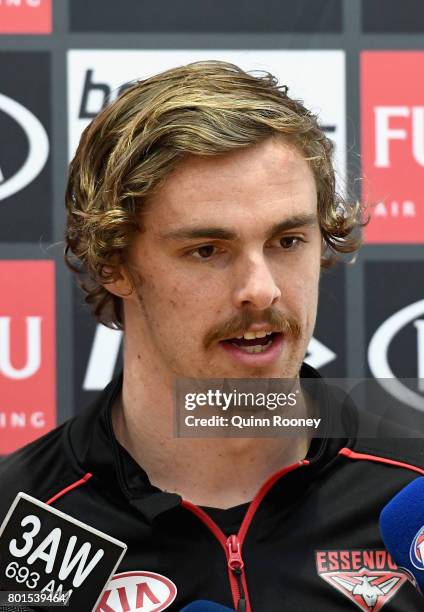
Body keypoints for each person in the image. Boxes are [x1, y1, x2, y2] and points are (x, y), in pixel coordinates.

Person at [0, 61, 423, 612]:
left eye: (288, 240)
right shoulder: (15, 523)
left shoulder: (412, 497)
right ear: (114, 265)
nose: (260, 290)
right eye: (207, 250)